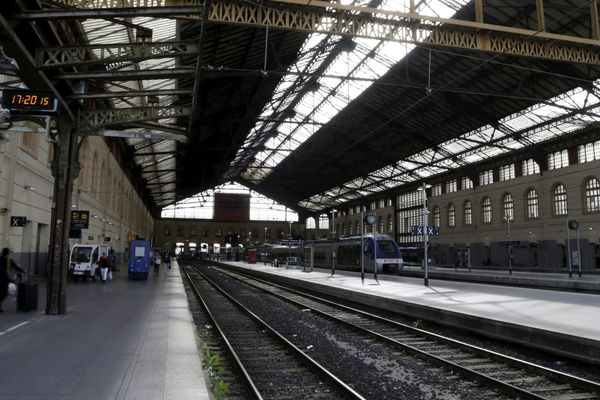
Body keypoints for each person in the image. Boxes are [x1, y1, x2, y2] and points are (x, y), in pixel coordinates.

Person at [0, 247, 24, 312]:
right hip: (4, 278)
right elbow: (16, 267)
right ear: (8, 253)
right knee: (4, 293)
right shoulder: (8, 260)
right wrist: (22, 270)